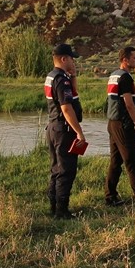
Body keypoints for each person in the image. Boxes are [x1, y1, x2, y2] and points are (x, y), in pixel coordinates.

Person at [45, 43, 88, 219]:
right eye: (71, 58)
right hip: (64, 129)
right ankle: (61, 212)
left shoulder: (53, 76)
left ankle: (54, 207)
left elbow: (71, 96)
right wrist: (79, 132)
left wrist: (74, 78)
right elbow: (67, 108)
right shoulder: (61, 80)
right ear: (64, 59)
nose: (73, 61)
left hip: (53, 127)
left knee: (56, 169)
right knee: (66, 170)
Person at [105, 45, 135, 205]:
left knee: (116, 161)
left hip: (112, 123)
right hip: (123, 124)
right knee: (133, 161)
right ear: (125, 60)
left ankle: (110, 196)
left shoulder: (113, 75)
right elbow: (129, 104)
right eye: (134, 58)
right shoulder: (125, 77)